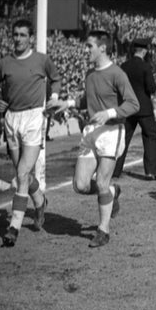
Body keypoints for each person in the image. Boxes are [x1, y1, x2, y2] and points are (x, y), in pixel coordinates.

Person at [51, 31, 140, 247]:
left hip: (111, 132)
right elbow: (88, 98)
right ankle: (112, 192)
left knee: (100, 181)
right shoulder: (90, 74)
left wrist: (109, 113)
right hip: (91, 131)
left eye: (89, 46)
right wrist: (69, 104)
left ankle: (103, 230)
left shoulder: (117, 73)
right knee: (80, 185)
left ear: (102, 48)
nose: (86, 50)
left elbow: (133, 104)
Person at [0, 19, 62, 247]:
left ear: (30, 38)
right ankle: (40, 204)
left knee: (22, 171)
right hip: (12, 119)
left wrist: (54, 98)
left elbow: (56, 79)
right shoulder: (5, 63)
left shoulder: (41, 60)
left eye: (22, 35)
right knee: (23, 176)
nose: (18, 38)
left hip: (34, 118)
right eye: (15, 34)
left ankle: (13, 226)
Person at [112, 38, 156, 180]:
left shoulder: (124, 66)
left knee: (124, 138)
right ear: (144, 51)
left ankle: (114, 170)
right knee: (150, 136)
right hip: (144, 108)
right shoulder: (146, 67)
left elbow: (118, 86)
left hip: (128, 106)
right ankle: (152, 171)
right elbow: (151, 88)